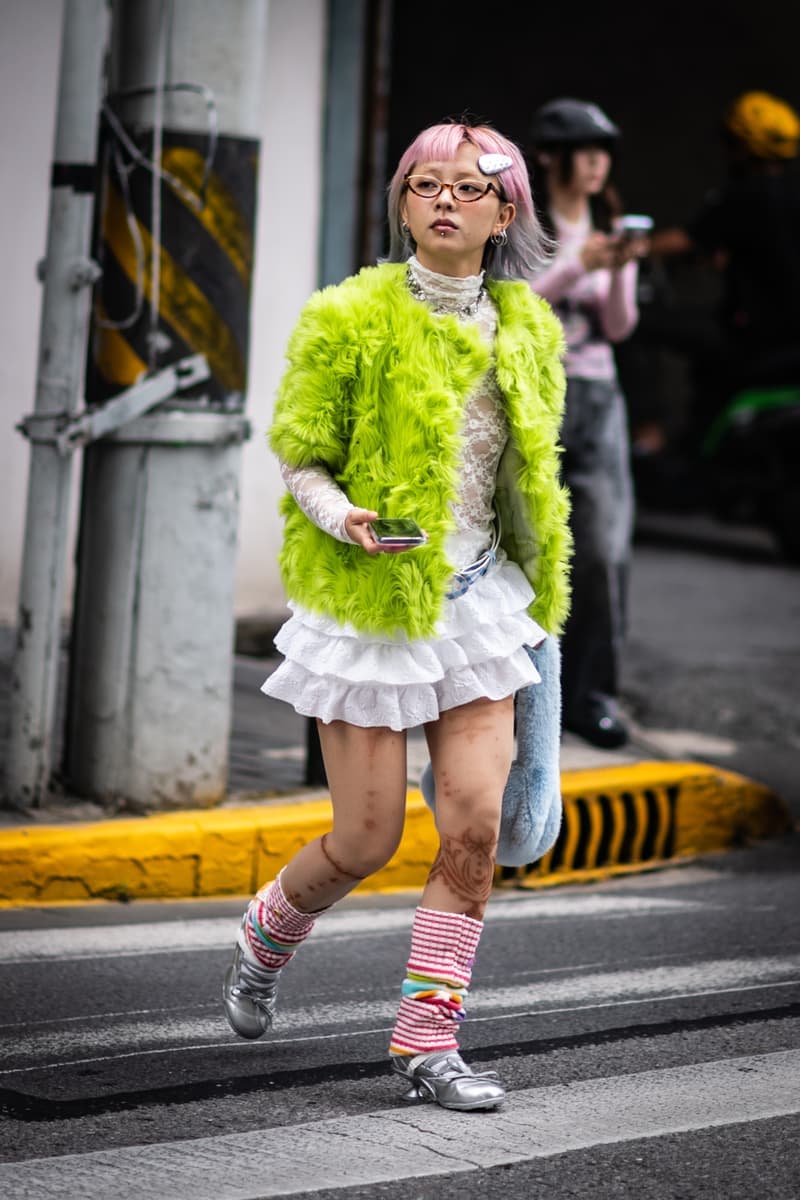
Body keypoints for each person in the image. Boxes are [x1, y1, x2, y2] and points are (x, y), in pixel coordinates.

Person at [221, 120, 572, 1112]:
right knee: (365, 839)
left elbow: (533, 486)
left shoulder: (528, 331)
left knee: (468, 832)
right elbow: (298, 452)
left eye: (467, 187)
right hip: (371, 611)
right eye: (424, 184)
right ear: (400, 204)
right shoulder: (348, 318)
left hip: (481, 610)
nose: (443, 199)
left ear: (505, 211)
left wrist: (540, 605)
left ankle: (427, 1043)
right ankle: (264, 938)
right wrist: (342, 517)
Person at [528, 97, 648, 749]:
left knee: (602, 550)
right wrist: (582, 265)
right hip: (535, 389)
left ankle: (593, 694)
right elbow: (517, 303)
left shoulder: (608, 225)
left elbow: (620, 328)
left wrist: (622, 268)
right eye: (585, 152)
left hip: (598, 395)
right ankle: (518, 695)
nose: (597, 165)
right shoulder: (527, 229)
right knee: (524, 550)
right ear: (549, 156)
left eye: (604, 153)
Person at [649, 90, 800, 439]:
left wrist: (629, 248)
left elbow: (684, 241)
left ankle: (652, 432)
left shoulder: (745, 194)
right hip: (791, 336)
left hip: (758, 338)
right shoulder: (791, 192)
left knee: (645, 326)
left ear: (743, 147)